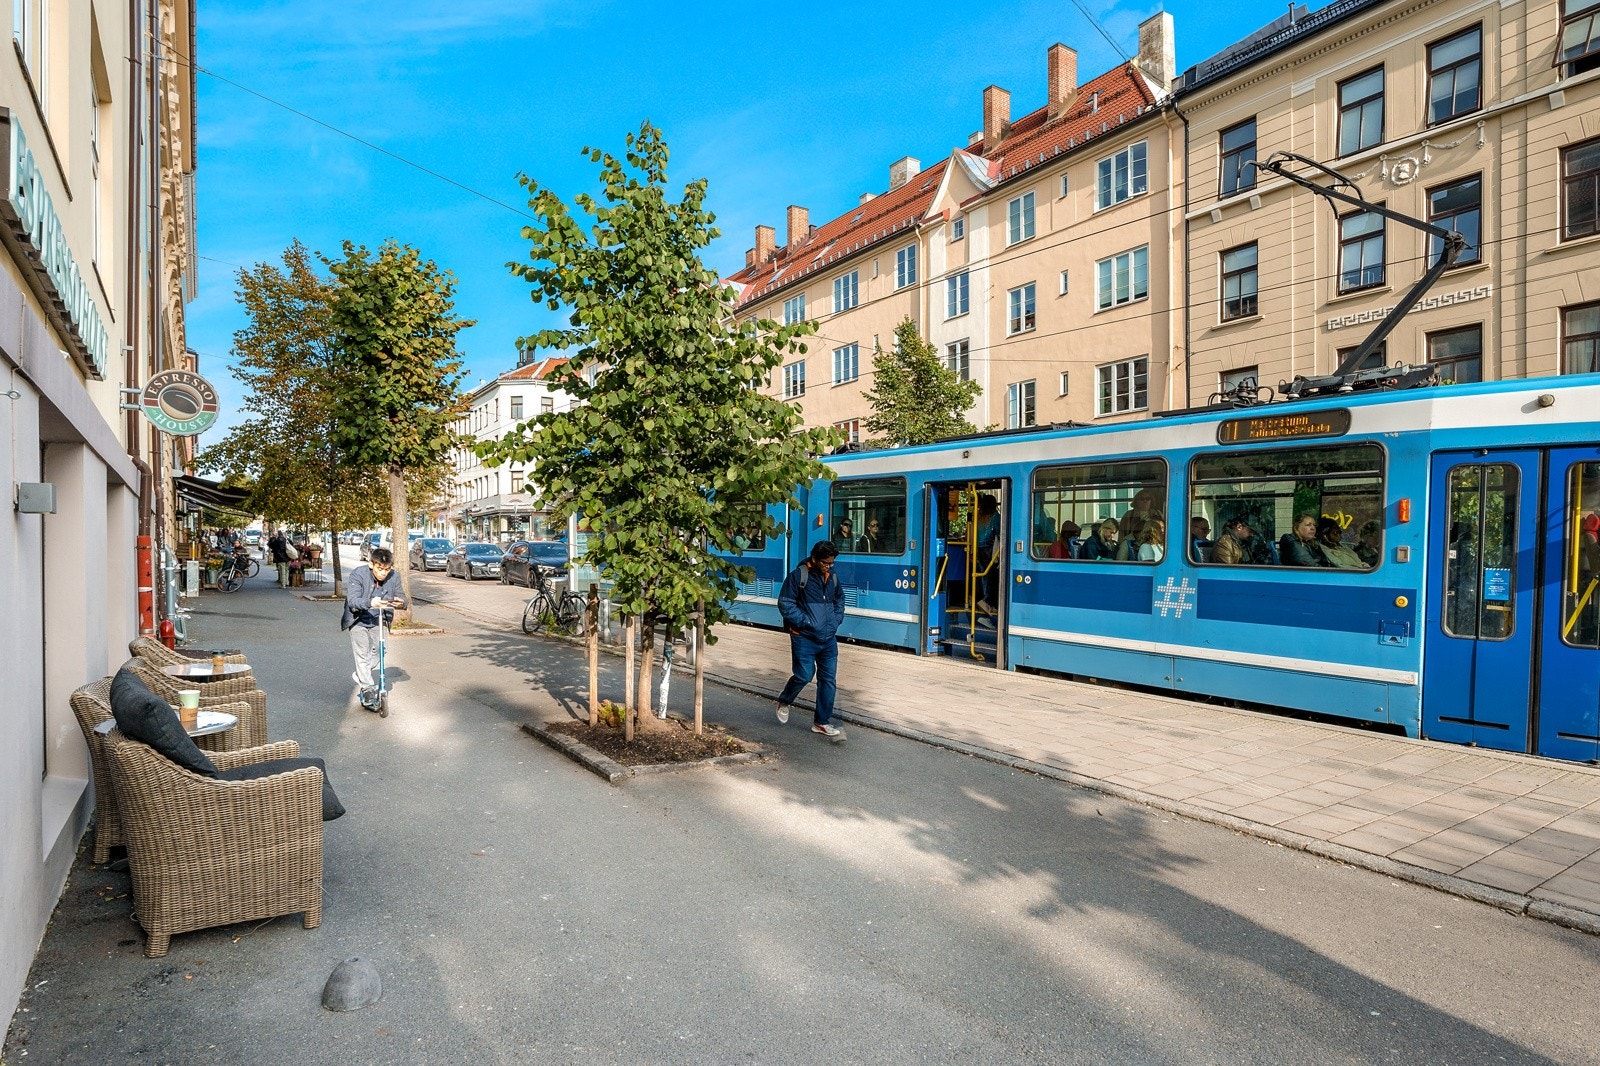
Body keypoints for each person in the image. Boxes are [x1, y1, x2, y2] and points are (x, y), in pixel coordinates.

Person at [774, 541, 847, 739]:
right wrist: (805, 622)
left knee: (828, 680)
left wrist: (836, 620)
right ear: (814, 559)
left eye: (831, 563)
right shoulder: (799, 576)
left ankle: (821, 722)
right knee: (804, 675)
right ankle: (784, 700)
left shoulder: (832, 577)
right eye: (825, 563)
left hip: (828, 639)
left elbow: (840, 600)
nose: (829, 566)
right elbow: (785, 603)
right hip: (804, 637)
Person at [341, 547, 407, 711]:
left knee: (381, 650)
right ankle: (368, 689)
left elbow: (402, 597)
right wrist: (370, 602)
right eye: (380, 569)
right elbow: (353, 600)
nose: (384, 573)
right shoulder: (358, 574)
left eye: (387, 569)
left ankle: (361, 673)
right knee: (362, 653)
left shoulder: (395, 576)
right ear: (371, 564)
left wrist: (401, 602)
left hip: (379, 618)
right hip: (358, 619)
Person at [974, 494, 1001, 615]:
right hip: (991, 549)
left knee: (982, 575)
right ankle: (989, 602)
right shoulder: (995, 516)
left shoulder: (979, 516)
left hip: (978, 549)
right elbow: (1000, 533)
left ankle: (982, 599)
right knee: (992, 576)